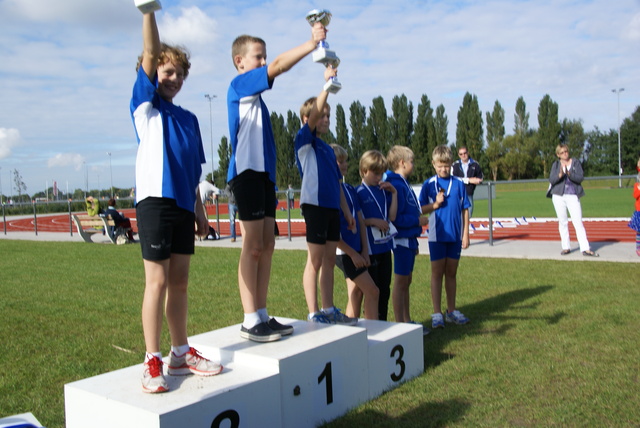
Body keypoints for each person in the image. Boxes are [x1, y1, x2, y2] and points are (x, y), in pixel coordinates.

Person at [131, 9, 222, 394]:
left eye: (181, 75)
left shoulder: (189, 119)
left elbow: (194, 174)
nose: (175, 79)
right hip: (155, 201)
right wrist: (149, 10)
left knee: (180, 283)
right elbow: (150, 52)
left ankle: (180, 354)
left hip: (185, 206)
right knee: (158, 281)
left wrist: (200, 213)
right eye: (168, 72)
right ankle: (152, 360)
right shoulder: (145, 107)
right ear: (152, 74)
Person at [227, 23, 327, 342]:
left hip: (264, 176)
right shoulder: (239, 86)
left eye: (264, 57)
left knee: (267, 245)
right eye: (258, 57)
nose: (263, 62)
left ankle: (260, 314)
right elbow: (280, 66)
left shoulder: (257, 102)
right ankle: (248, 317)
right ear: (239, 61)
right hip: (246, 173)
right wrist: (312, 44)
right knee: (253, 245)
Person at [294, 68, 357, 325]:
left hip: (332, 208)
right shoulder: (304, 141)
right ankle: (313, 312)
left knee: (330, 261)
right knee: (316, 260)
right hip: (315, 206)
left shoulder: (329, 151)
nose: (327, 118)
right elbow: (316, 110)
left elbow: (337, 184)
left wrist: (347, 212)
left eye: (329, 115)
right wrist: (327, 86)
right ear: (308, 119)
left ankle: (329, 309)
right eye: (323, 115)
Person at [419, 145, 471, 329]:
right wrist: (435, 204)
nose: (444, 169)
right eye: (440, 165)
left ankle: (451, 310)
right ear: (433, 164)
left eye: (447, 165)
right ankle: (436, 313)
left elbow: (465, 209)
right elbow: (420, 209)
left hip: (455, 235)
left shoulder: (458, 184)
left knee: (451, 273)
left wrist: (465, 233)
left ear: (452, 164)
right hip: (436, 236)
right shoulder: (428, 184)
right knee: (436, 274)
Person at [332, 144, 379, 320]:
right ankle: (374, 335)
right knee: (373, 291)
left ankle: (350, 337)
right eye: (340, 161)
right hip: (344, 252)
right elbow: (333, 233)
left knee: (356, 294)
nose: (344, 165)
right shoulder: (330, 192)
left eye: (346, 161)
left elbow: (359, 221)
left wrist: (365, 251)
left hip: (357, 250)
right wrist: (353, 254)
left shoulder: (350, 189)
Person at [385, 146, 428, 327]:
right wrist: (416, 222)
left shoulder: (403, 183)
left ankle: (407, 320)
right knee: (401, 281)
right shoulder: (395, 184)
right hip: (401, 239)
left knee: (407, 280)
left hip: (409, 239)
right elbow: (395, 218)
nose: (414, 165)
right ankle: (400, 323)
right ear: (402, 163)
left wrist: (414, 238)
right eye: (412, 161)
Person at [356, 150, 397, 321]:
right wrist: (372, 220)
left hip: (385, 247)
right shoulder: (358, 192)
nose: (379, 177)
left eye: (381, 173)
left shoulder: (384, 191)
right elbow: (357, 221)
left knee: (385, 289)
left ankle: (383, 322)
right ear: (364, 171)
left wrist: (394, 194)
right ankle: (372, 324)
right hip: (370, 249)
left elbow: (392, 217)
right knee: (372, 291)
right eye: (375, 173)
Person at [548, 144, 599, 257]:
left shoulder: (575, 163)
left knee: (578, 222)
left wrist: (570, 174)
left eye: (566, 151)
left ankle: (585, 248)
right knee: (563, 222)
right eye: (562, 152)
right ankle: (566, 247)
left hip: (572, 195)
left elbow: (580, 178)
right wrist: (560, 176)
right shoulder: (555, 165)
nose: (565, 154)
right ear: (558, 155)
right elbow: (551, 179)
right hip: (558, 195)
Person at [451, 146, 483, 218]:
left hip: (468, 194)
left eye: (465, 153)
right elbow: (453, 179)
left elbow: (480, 178)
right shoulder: (454, 165)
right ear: (458, 155)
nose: (463, 155)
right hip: (457, 194)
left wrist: (476, 180)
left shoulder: (475, 164)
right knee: (456, 218)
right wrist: (469, 180)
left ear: (468, 153)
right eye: (461, 154)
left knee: (468, 217)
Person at [627, 156, 640, 256]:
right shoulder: (637, 185)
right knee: (639, 232)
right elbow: (635, 195)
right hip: (639, 210)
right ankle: (638, 248)